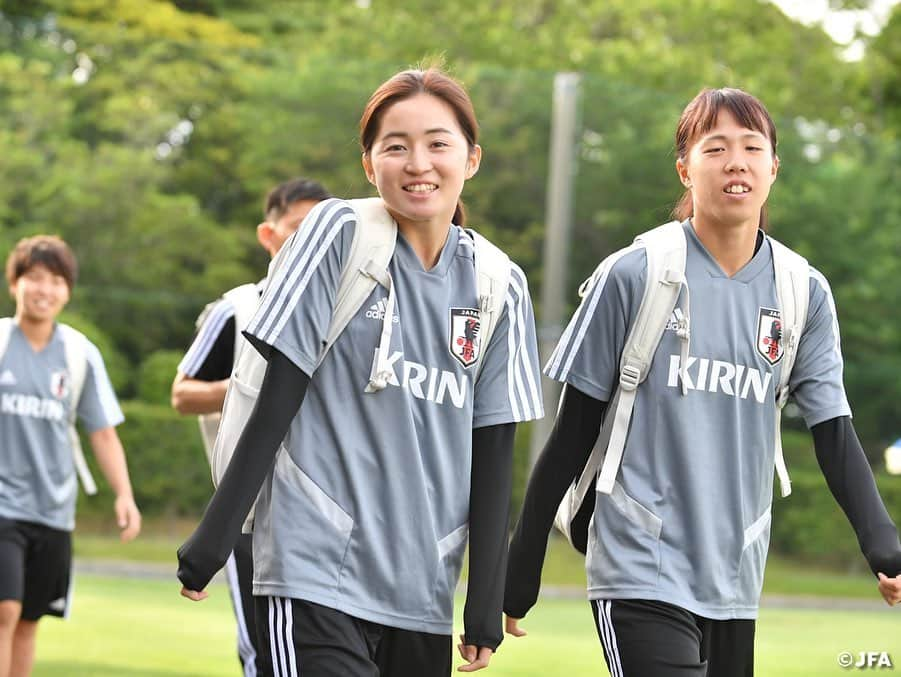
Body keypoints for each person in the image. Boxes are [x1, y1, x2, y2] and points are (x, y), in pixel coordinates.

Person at [504, 88, 901, 677]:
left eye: (751, 147)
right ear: (685, 168)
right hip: (639, 564)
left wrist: (884, 546)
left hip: (736, 571)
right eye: (714, 147)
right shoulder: (634, 273)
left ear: (773, 167)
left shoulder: (803, 291)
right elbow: (572, 434)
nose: (735, 161)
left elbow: (834, 433)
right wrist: (520, 567)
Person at [176, 66, 544, 676]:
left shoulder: (500, 282)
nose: (418, 162)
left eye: (437, 143)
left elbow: (495, 446)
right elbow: (276, 398)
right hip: (311, 569)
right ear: (370, 165)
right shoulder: (338, 232)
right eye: (395, 146)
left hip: (423, 589)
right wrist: (216, 535)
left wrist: (484, 599)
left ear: (471, 159)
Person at [171, 177, 331, 676]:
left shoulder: (346, 305)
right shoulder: (237, 309)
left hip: (330, 509)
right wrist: (256, 384)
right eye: (298, 228)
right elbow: (182, 393)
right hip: (251, 508)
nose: (309, 241)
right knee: (265, 650)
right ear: (269, 235)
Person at [0, 235, 141, 677]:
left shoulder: (80, 353)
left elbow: (101, 432)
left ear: (68, 291)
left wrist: (124, 494)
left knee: (28, 620)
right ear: (15, 284)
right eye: (34, 278)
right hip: (2, 508)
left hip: (53, 511)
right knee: (4, 610)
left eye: (56, 281)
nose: (44, 289)